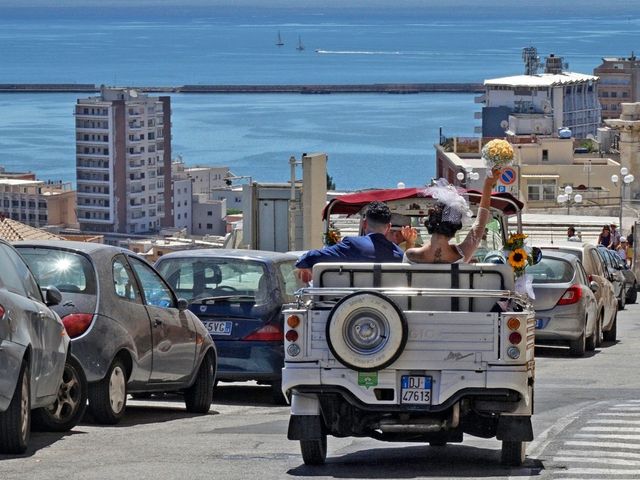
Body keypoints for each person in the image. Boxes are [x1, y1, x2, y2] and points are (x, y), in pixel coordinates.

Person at [404, 168, 499, 264]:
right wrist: (488, 184)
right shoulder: (461, 255)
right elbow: (480, 224)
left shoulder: (411, 256)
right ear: (455, 228)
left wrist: (410, 243)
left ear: (431, 219)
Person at [295, 201, 404, 283]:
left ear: (364, 224)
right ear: (389, 227)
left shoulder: (352, 245)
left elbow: (311, 257)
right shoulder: (399, 254)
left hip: (351, 308)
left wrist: (303, 265)